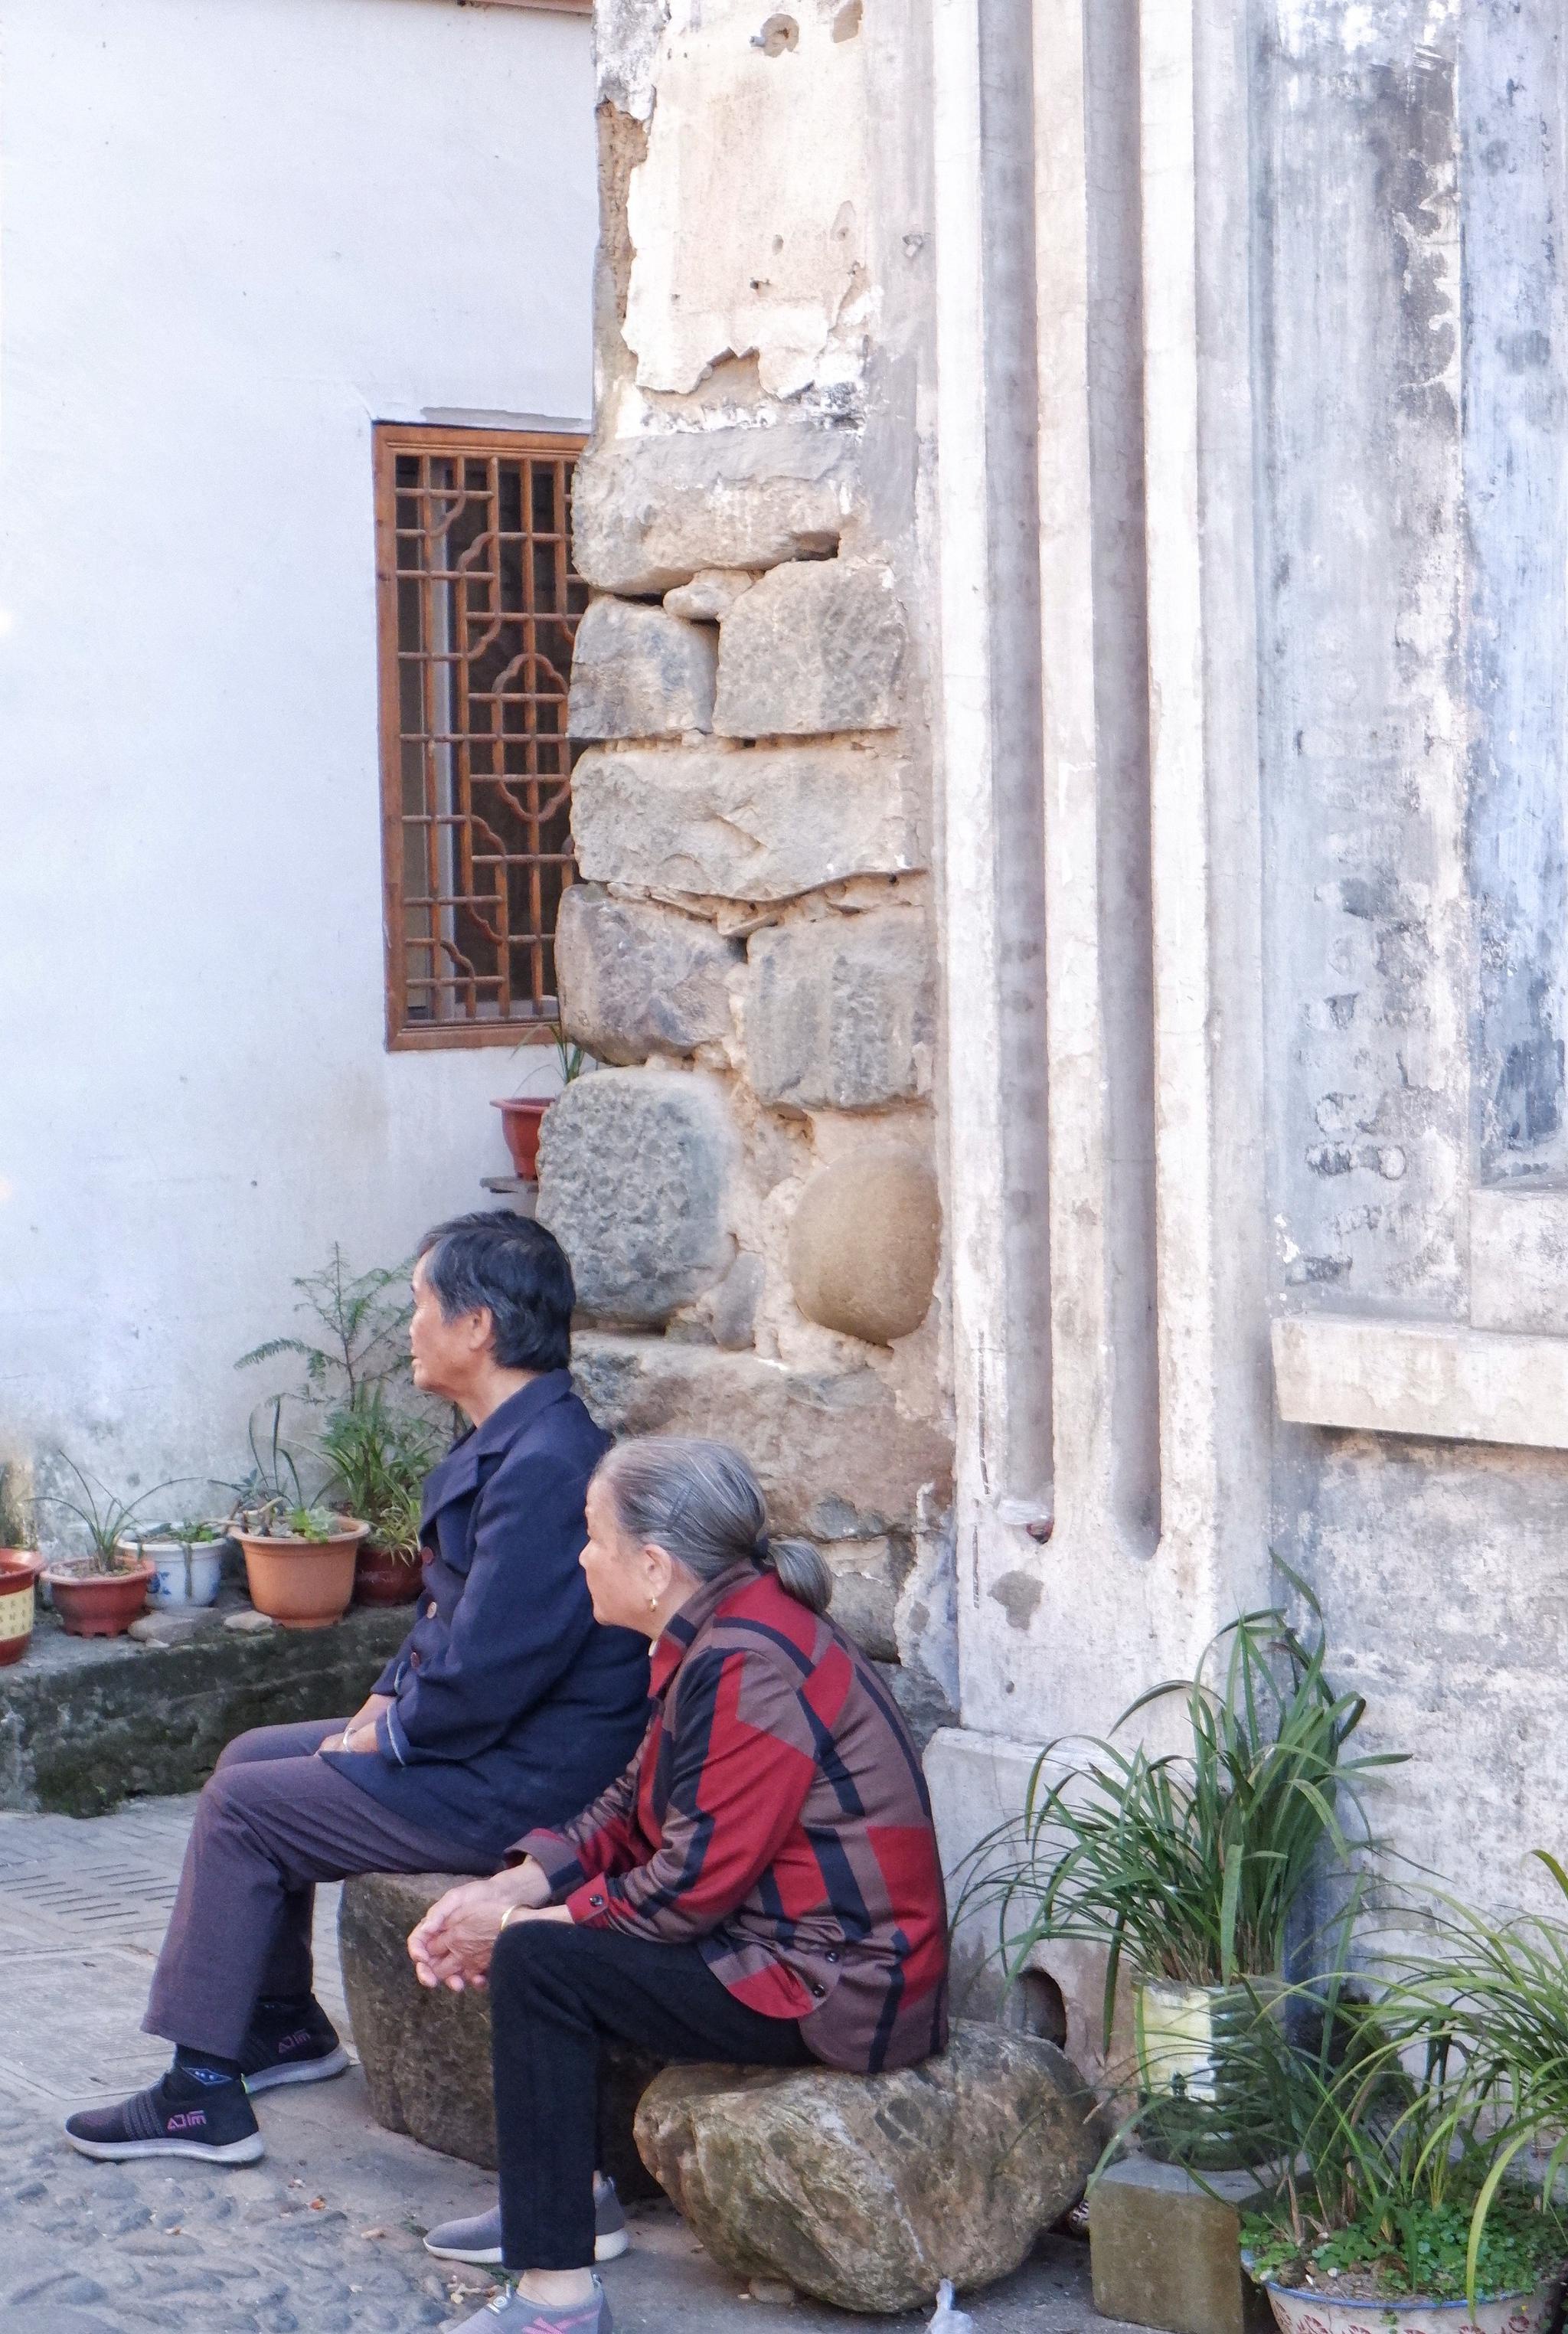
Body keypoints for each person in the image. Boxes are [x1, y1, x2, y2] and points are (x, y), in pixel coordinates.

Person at [65, 1211, 650, 2172]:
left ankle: (201, 2093)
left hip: (529, 1782)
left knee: (248, 1808)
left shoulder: (547, 1466)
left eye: (421, 1305)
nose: (408, 1326)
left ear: (479, 1328)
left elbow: (491, 1671)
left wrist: (395, 1737)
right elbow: (450, 1616)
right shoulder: (521, 1442)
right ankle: (284, 2022)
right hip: (491, 1742)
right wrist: (384, 1702)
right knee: (255, 1756)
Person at [408, 1434, 950, 2334]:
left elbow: (683, 1892)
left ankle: (555, 2300)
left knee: (544, 1967)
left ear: (653, 1566)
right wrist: (516, 1885)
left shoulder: (749, 1662)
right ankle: (567, 2206)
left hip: (836, 1983)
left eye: (593, 1537)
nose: (582, 1556)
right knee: (544, 1938)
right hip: (779, 1944)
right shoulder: (723, 1630)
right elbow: (634, 1804)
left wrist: (518, 1931)